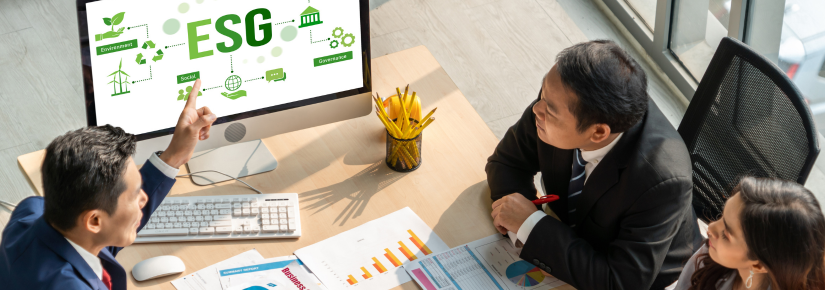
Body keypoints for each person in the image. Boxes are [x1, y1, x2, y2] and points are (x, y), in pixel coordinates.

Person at [487, 40, 702, 290]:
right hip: (576, 246)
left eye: (550, 110)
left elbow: (619, 282)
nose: (537, 108)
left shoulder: (663, 181)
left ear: (598, 133)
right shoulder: (559, 96)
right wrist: (517, 223)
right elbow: (507, 162)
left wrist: (530, 225)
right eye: (542, 94)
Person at [0, 80, 216, 290]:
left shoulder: (31, 211)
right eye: (135, 195)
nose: (144, 199)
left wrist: (174, 157)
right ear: (94, 220)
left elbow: (105, 229)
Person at [669, 177, 825, 290]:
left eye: (726, 234)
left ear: (758, 265)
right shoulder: (711, 255)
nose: (711, 228)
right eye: (722, 217)